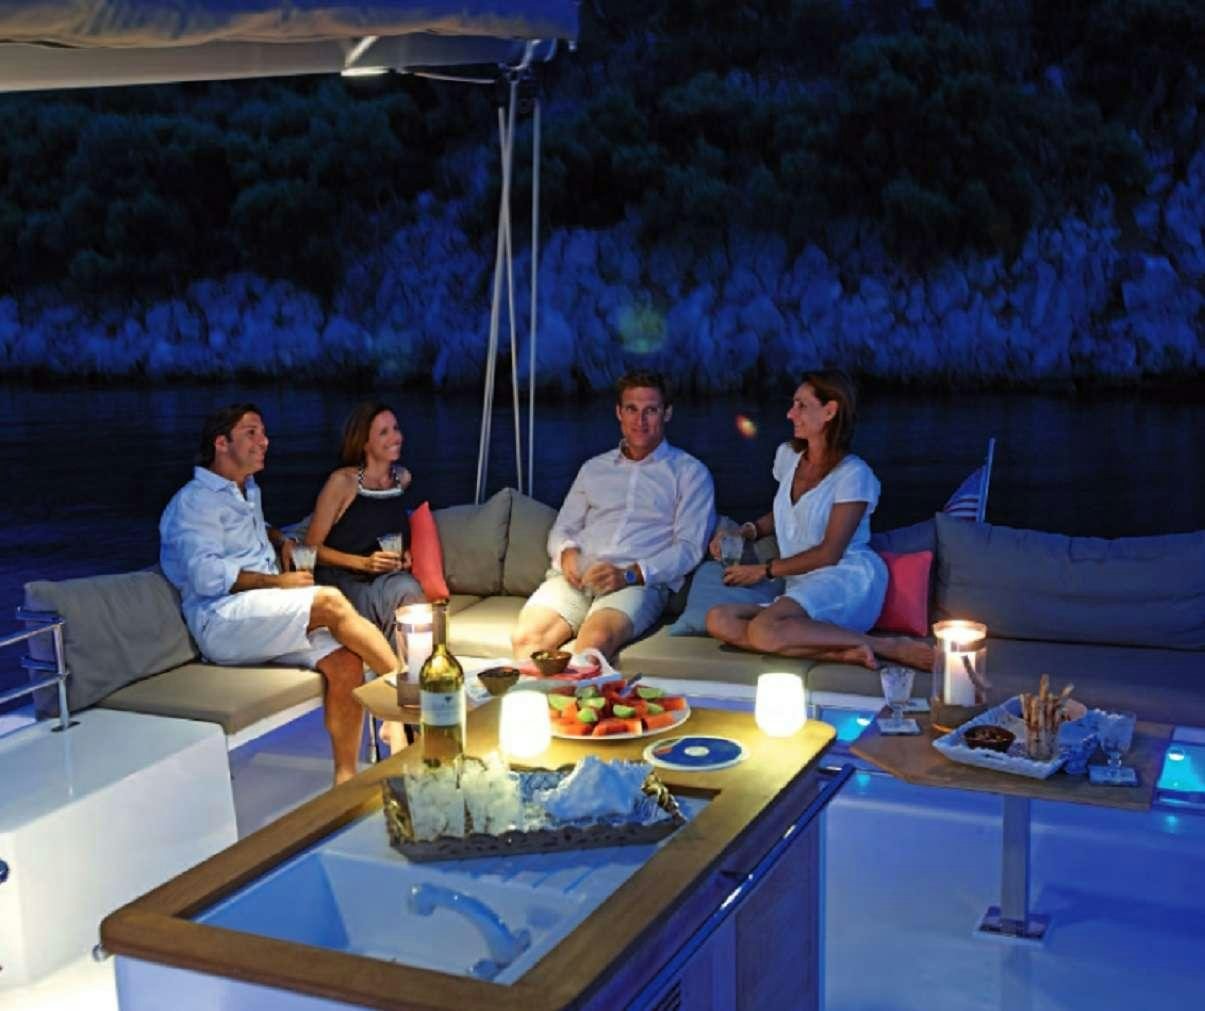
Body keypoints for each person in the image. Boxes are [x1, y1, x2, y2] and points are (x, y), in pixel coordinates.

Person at [159, 403, 401, 785]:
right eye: (251, 433)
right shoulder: (193, 503)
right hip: (222, 620)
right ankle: (408, 694)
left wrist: (281, 540)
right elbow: (207, 577)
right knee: (329, 601)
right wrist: (278, 583)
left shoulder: (244, 490)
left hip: (258, 613)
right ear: (221, 443)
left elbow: (253, 529)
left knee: (345, 664)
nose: (264, 441)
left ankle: (345, 781)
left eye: (263, 433)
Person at [705, 370, 935, 671]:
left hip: (846, 579)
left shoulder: (854, 475)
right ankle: (842, 652)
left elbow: (830, 552)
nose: (790, 414)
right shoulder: (788, 456)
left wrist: (764, 570)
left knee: (762, 630)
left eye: (801, 405)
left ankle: (888, 646)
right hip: (802, 586)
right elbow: (788, 511)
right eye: (792, 404)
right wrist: (745, 531)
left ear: (830, 411)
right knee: (719, 619)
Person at [511, 370, 715, 661]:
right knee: (526, 639)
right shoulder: (594, 468)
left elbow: (688, 549)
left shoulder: (690, 474)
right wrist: (566, 552)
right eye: (631, 409)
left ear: (667, 413)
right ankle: (546, 706)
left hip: (635, 582)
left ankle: (577, 703)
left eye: (651, 411)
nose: (639, 420)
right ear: (619, 412)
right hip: (576, 577)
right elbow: (563, 527)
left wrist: (630, 573)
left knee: (593, 644)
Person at [305, 401, 426, 648]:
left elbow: (386, 527)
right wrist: (364, 563)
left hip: (384, 578)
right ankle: (412, 673)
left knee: (404, 590)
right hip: (344, 581)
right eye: (384, 432)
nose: (396, 437)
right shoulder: (342, 482)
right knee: (407, 591)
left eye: (396, 428)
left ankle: (408, 672)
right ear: (364, 443)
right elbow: (311, 548)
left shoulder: (401, 479)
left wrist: (405, 556)